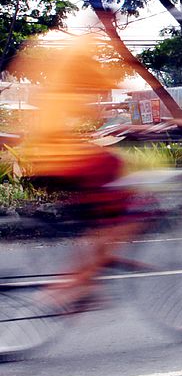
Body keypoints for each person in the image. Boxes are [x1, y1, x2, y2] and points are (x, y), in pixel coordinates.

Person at [10, 31, 145, 313]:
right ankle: (78, 283)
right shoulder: (82, 57)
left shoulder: (62, 56)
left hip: (46, 154)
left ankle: (96, 259)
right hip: (63, 157)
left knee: (100, 211)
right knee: (136, 208)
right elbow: (115, 90)